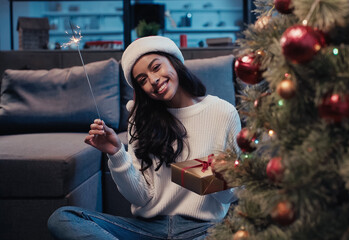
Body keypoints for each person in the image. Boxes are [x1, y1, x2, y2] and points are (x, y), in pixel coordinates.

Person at [47, 36, 241, 240]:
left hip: (202, 230)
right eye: (143, 80)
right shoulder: (141, 121)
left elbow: (233, 194)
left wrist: (216, 176)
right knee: (63, 218)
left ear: (173, 61)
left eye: (156, 67)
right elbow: (140, 197)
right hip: (147, 229)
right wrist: (116, 154)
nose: (153, 80)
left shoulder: (223, 112)